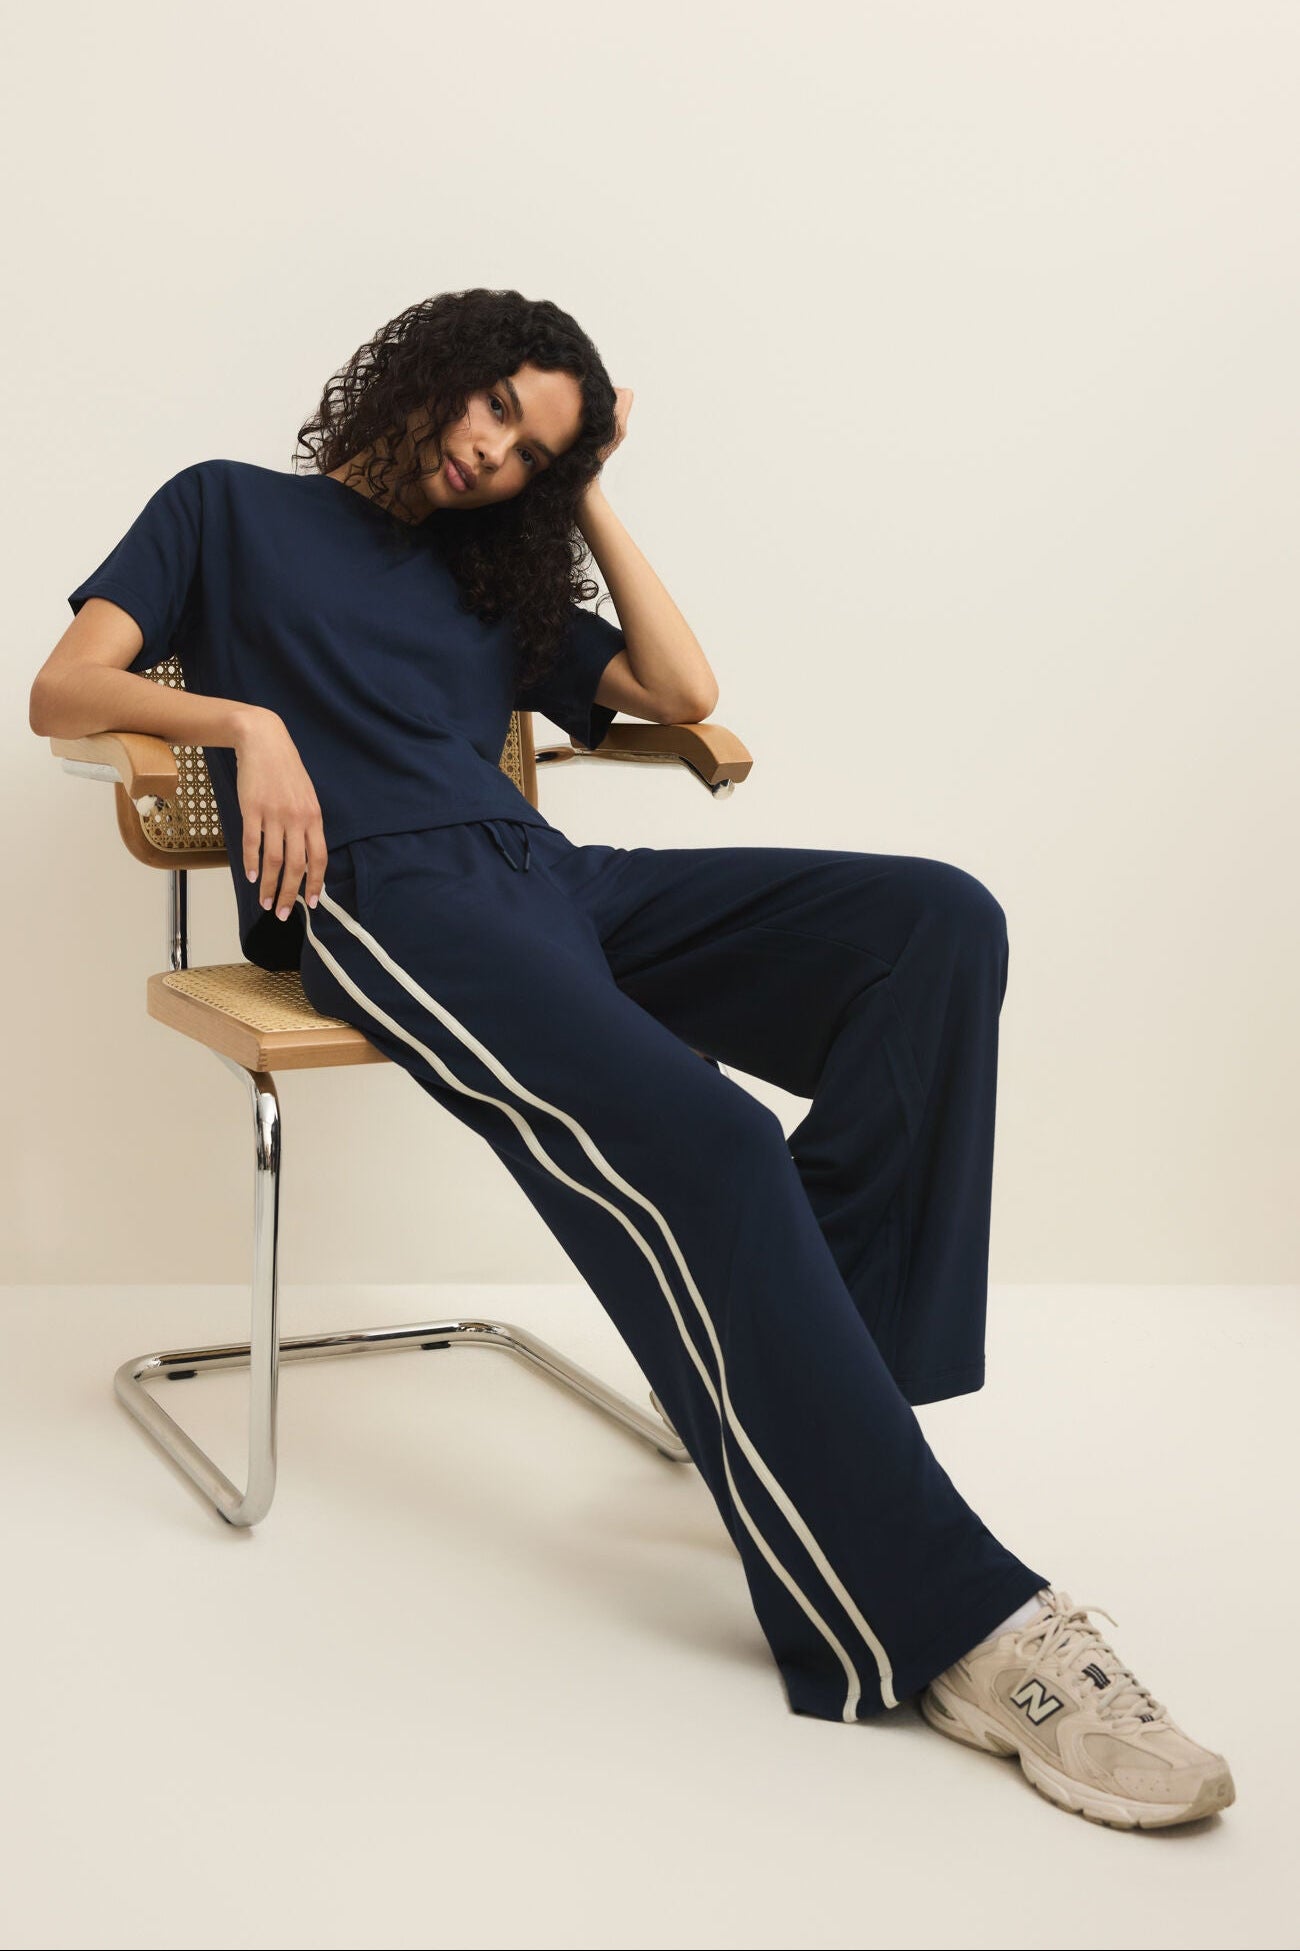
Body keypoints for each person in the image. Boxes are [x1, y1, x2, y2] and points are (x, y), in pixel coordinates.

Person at [31, 286, 1233, 1830]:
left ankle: (820, 1407)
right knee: (709, 1138)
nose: (492, 452)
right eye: (491, 411)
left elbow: (682, 695)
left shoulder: (492, 579)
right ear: (433, 372)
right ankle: (948, 1623)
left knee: (933, 927)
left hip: (548, 881)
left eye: (531, 447)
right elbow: (65, 687)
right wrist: (246, 724)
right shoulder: (227, 511)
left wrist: (589, 482)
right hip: (379, 891)